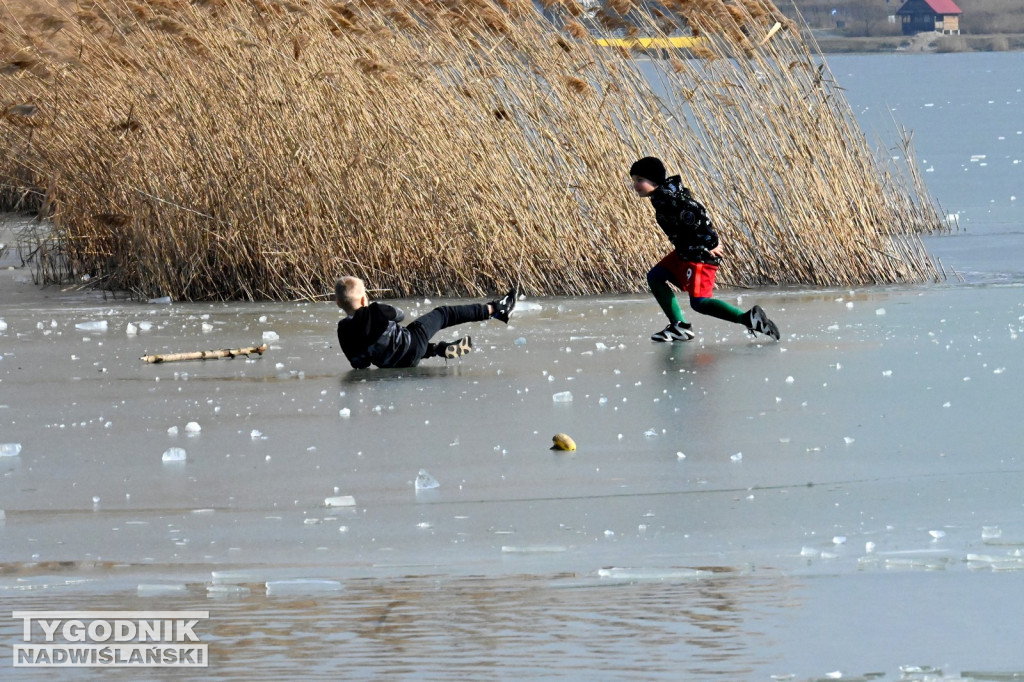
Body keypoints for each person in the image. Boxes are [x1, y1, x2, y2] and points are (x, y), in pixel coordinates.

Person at [629, 156, 780, 342]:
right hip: (686, 251)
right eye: (634, 180)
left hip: (700, 253)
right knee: (655, 276)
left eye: (639, 180)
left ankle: (749, 319)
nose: (635, 185)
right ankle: (680, 327)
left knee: (700, 303)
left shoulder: (669, 198)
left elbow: (697, 212)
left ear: (653, 180)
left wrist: (711, 243)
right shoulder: (662, 197)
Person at [335, 276, 517, 369]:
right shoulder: (375, 310)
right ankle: (495, 309)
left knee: (392, 345)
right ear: (362, 300)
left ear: (338, 303)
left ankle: (437, 349)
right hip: (413, 343)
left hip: (394, 363)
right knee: (444, 314)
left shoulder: (343, 330)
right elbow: (400, 315)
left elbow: (359, 363)